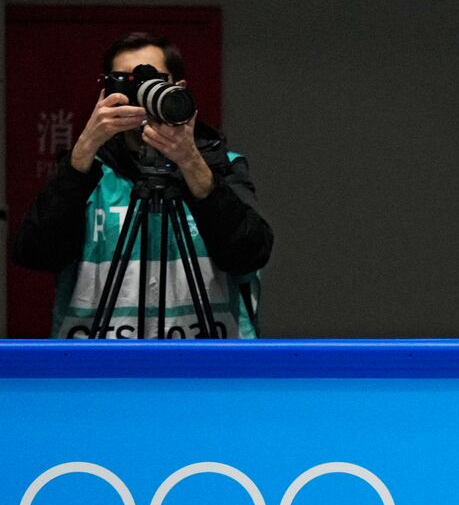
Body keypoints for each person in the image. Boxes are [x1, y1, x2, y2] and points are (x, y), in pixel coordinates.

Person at [12, 32, 272, 338]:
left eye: (152, 81)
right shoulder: (87, 170)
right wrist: (84, 150)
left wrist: (191, 163)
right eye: (126, 82)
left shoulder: (222, 165)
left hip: (205, 365)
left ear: (179, 89)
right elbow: (35, 254)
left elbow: (250, 253)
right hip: (100, 368)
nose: (140, 95)